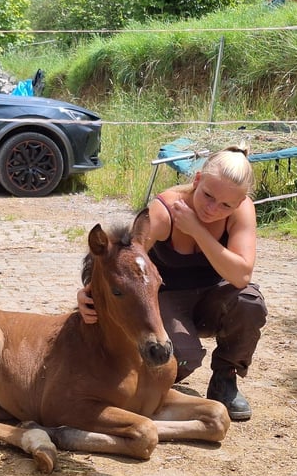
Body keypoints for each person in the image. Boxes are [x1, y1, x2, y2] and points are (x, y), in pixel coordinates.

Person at [77, 145, 267, 421]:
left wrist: (197, 230)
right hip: (164, 299)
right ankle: (139, 383)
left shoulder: (242, 211)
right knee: (180, 357)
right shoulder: (165, 212)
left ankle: (225, 379)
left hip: (210, 298)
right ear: (198, 179)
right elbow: (115, 258)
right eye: (208, 196)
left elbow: (241, 275)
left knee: (249, 301)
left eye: (226, 205)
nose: (213, 209)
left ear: (240, 203)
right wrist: (88, 295)